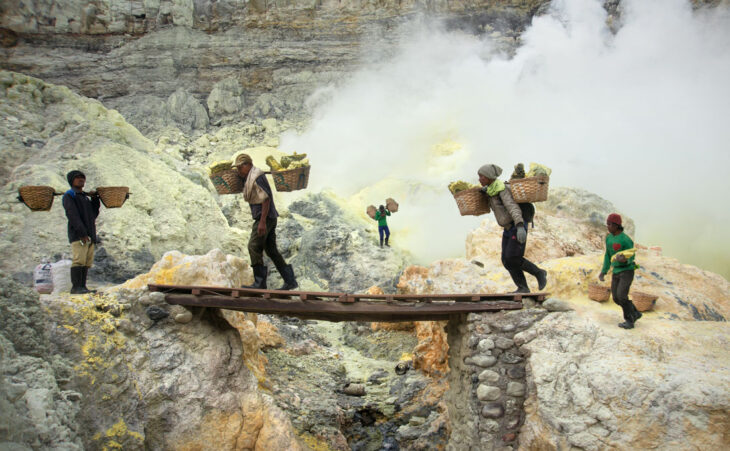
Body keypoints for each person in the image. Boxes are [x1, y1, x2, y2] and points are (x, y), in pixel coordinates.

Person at [478, 163, 547, 293]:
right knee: (506, 260)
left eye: (482, 176)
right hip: (508, 228)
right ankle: (523, 287)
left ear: (489, 177)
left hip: (517, 226)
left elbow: (512, 207)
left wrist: (520, 226)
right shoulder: (492, 189)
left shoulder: (501, 189)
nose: (479, 179)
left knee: (513, 258)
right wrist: (486, 192)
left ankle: (539, 273)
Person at [233, 153, 298, 290]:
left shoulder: (257, 177)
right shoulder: (252, 176)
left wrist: (262, 222)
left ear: (248, 165)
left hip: (265, 217)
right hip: (269, 217)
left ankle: (260, 283)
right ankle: (290, 281)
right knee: (271, 250)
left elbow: (266, 199)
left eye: (240, 167)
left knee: (253, 246)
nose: (239, 171)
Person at [599, 213, 641, 329]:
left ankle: (629, 320)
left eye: (609, 224)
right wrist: (604, 271)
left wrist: (625, 260)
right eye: (607, 224)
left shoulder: (626, 240)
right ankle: (635, 313)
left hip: (627, 271)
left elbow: (631, 255)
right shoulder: (609, 238)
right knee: (616, 298)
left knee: (622, 296)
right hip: (616, 271)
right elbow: (607, 255)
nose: (607, 226)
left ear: (616, 225)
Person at [62, 170, 100, 294]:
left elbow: (92, 215)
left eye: (82, 178)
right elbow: (72, 215)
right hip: (79, 235)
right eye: (77, 178)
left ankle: (82, 286)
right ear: (71, 181)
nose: (81, 180)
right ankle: (76, 287)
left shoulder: (84, 197)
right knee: (79, 260)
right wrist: (82, 233)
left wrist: (95, 200)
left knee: (87, 261)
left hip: (89, 234)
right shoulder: (70, 195)